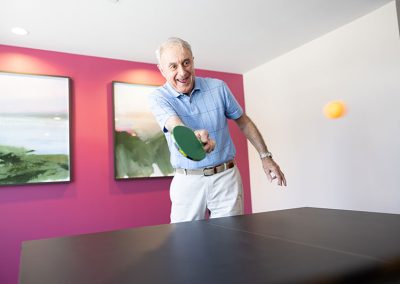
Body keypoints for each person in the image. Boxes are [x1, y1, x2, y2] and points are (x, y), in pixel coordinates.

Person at [148, 37, 286, 223]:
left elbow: (243, 121)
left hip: (225, 178)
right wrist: (193, 138)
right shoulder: (158, 97)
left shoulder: (218, 87)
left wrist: (265, 156)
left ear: (193, 60)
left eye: (186, 62)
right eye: (173, 66)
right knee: (184, 244)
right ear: (161, 69)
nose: (182, 72)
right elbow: (175, 125)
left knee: (230, 241)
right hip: (187, 181)